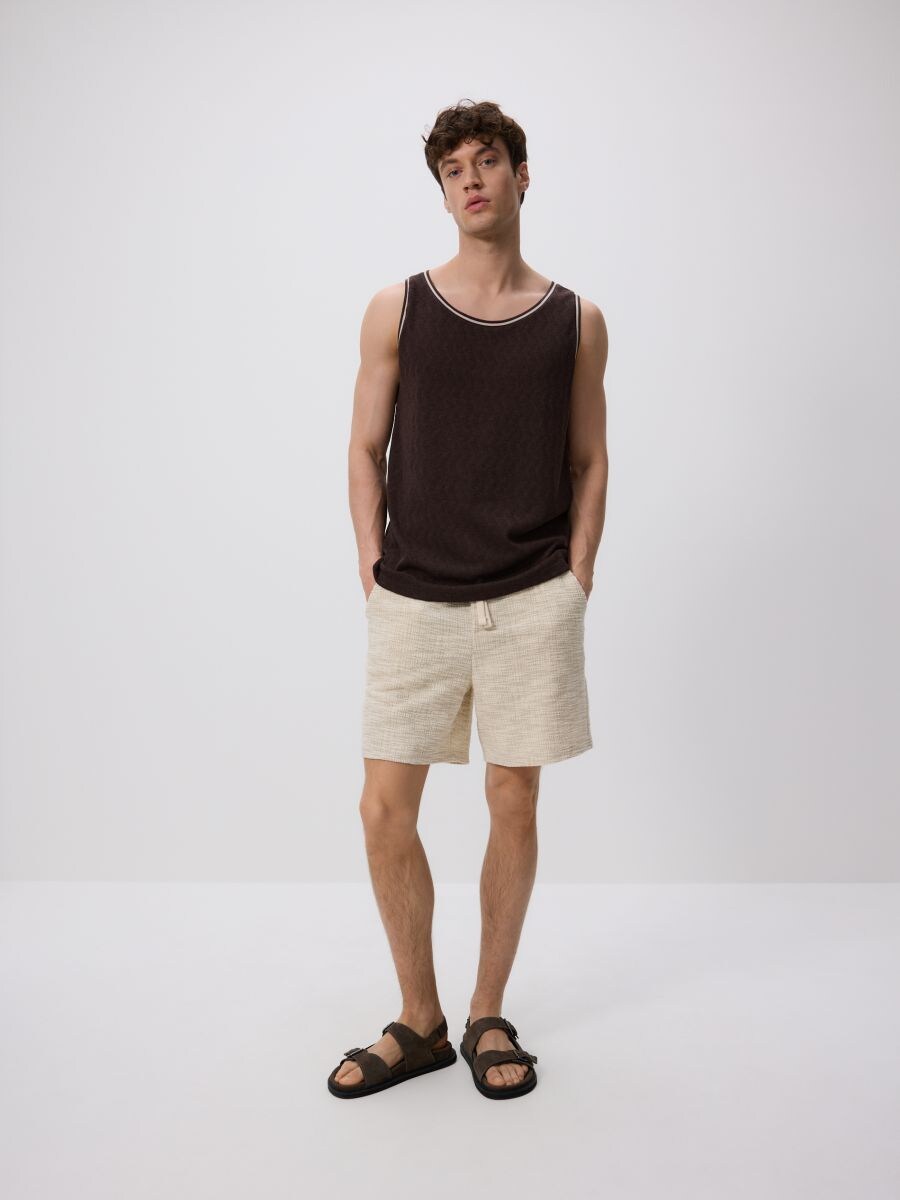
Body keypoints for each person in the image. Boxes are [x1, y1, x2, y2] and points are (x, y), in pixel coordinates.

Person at [332, 99, 608, 1100]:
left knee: (512, 798)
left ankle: (489, 1012)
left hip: (532, 598)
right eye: (453, 170)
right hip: (415, 598)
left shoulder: (575, 320)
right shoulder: (397, 308)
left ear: (521, 176)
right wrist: (372, 563)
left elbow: (589, 457)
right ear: (443, 193)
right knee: (383, 809)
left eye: (487, 161)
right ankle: (421, 1018)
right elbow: (365, 447)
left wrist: (577, 577)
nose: (471, 180)